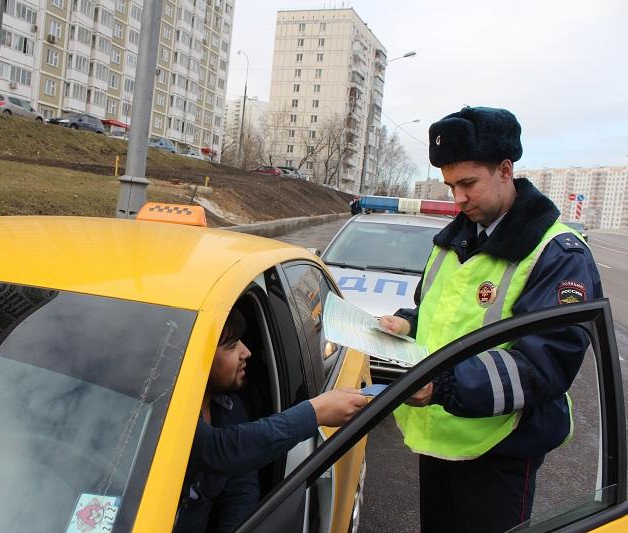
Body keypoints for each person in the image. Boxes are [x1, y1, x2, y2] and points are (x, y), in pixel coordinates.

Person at [378, 106, 603, 533]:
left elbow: (544, 365)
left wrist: (439, 384)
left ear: (505, 170)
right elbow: (439, 314)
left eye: (467, 184)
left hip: (499, 448)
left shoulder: (557, 253)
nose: (457, 199)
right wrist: (406, 323)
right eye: (450, 186)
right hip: (440, 435)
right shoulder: (453, 241)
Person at [174, 307, 369, 532]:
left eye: (241, 341)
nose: (246, 352)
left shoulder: (230, 408)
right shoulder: (166, 416)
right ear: (196, 358)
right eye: (231, 346)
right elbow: (218, 449)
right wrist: (315, 412)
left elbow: (240, 487)